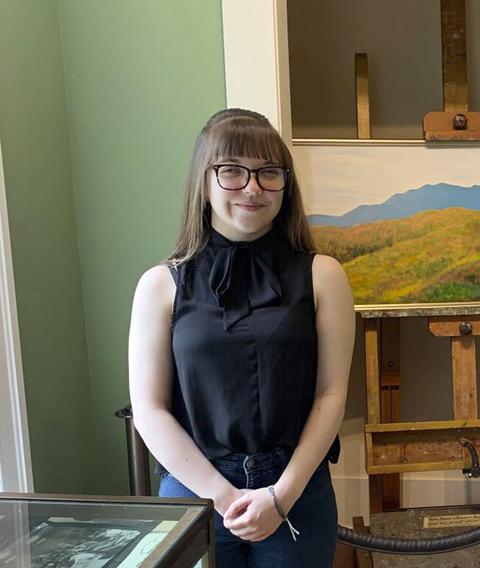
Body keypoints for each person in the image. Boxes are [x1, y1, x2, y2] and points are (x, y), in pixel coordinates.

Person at [128, 108, 354, 567]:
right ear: (204, 181)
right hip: (193, 493)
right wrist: (221, 495)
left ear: (285, 184)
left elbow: (331, 394)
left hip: (296, 490)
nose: (252, 187)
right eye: (232, 171)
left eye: (269, 172)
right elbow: (149, 410)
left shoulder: (323, 276)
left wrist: (281, 496)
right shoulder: (160, 285)